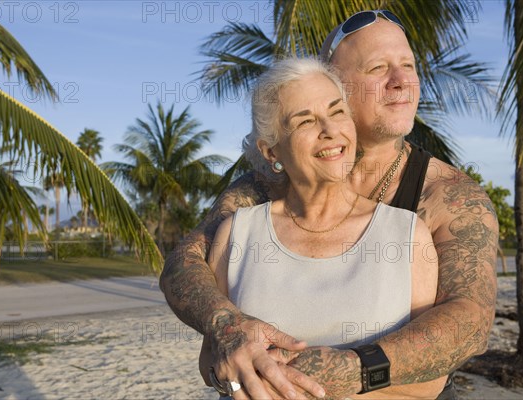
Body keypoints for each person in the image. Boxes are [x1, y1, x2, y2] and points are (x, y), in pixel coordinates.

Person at [160, 9, 498, 400]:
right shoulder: (265, 186)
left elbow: (469, 320)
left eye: (408, 65)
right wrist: (228, 327)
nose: (402, 81)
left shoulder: (448, 196)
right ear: (334, 83)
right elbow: (184, 263)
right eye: (378, 68)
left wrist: (350, 371)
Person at [199, 57, 448, 399]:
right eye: (306, 121)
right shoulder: (237, 234)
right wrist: (238, 380)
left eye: (337, 111)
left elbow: (430, 379)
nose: (330, 130)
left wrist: (320, 383)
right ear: (271, 150)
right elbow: (210, 363)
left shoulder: (408, 235)